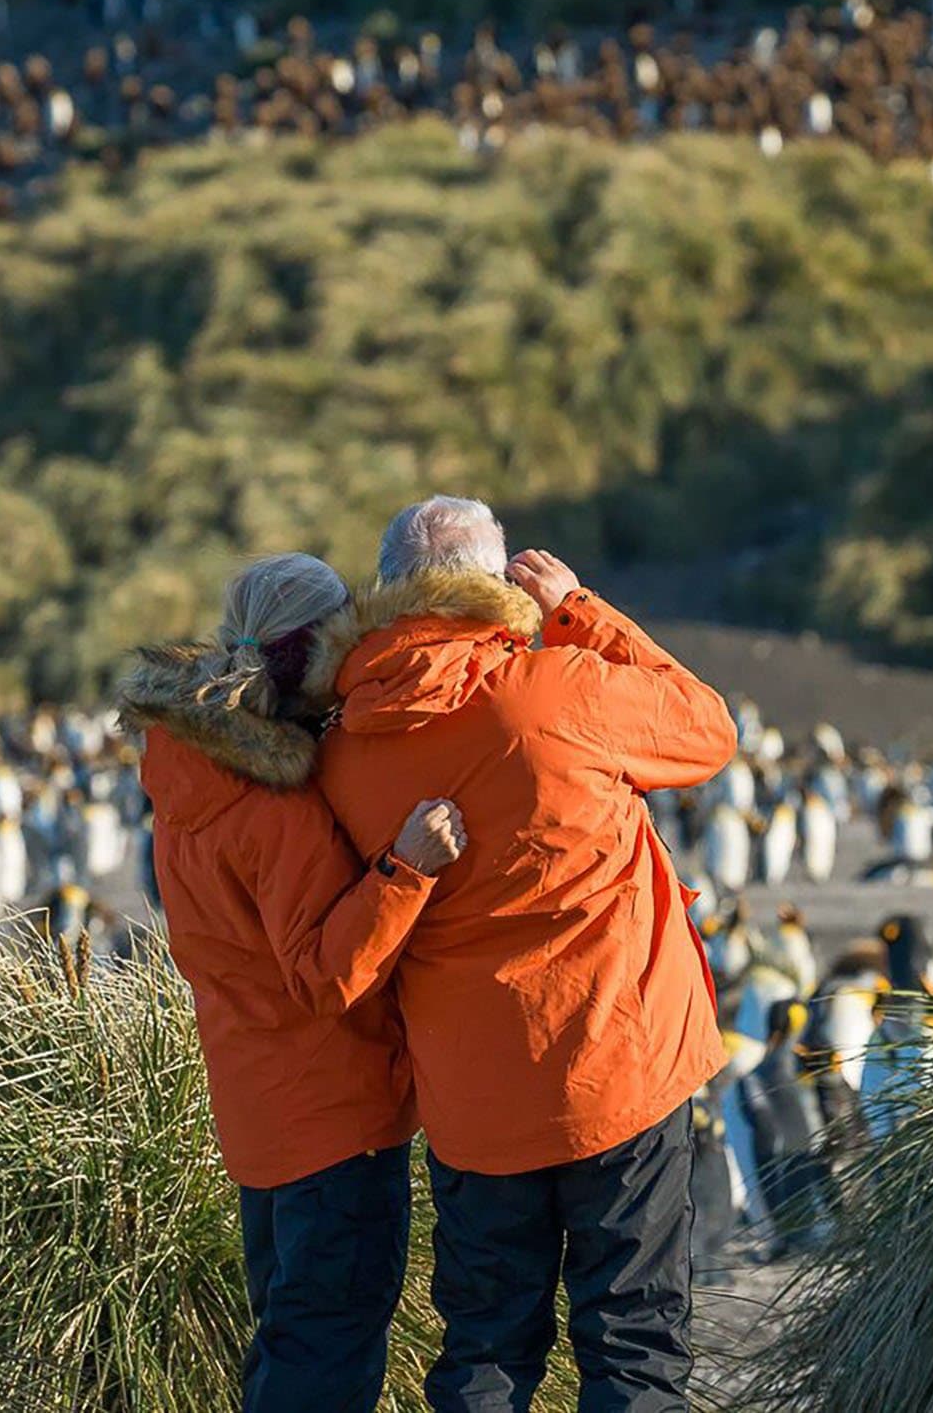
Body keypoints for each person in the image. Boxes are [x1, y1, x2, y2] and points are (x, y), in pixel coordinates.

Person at [313, 496, 739, 1413]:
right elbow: (707, 728)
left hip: (473, 1103)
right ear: (500, 586)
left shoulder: (343, 748)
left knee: (486, 1354)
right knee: (632, 1347)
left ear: (390, 591)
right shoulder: (558, 686)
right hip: (615, 1068)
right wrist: (580, 609)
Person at [117, 552, 468, 1413]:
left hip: (258, 1115)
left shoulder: (183, 774)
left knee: (288, 1338)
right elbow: (324, 974)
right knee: (324, 1355)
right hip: (332, 1119)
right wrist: (405, 871)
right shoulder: (272, 800)